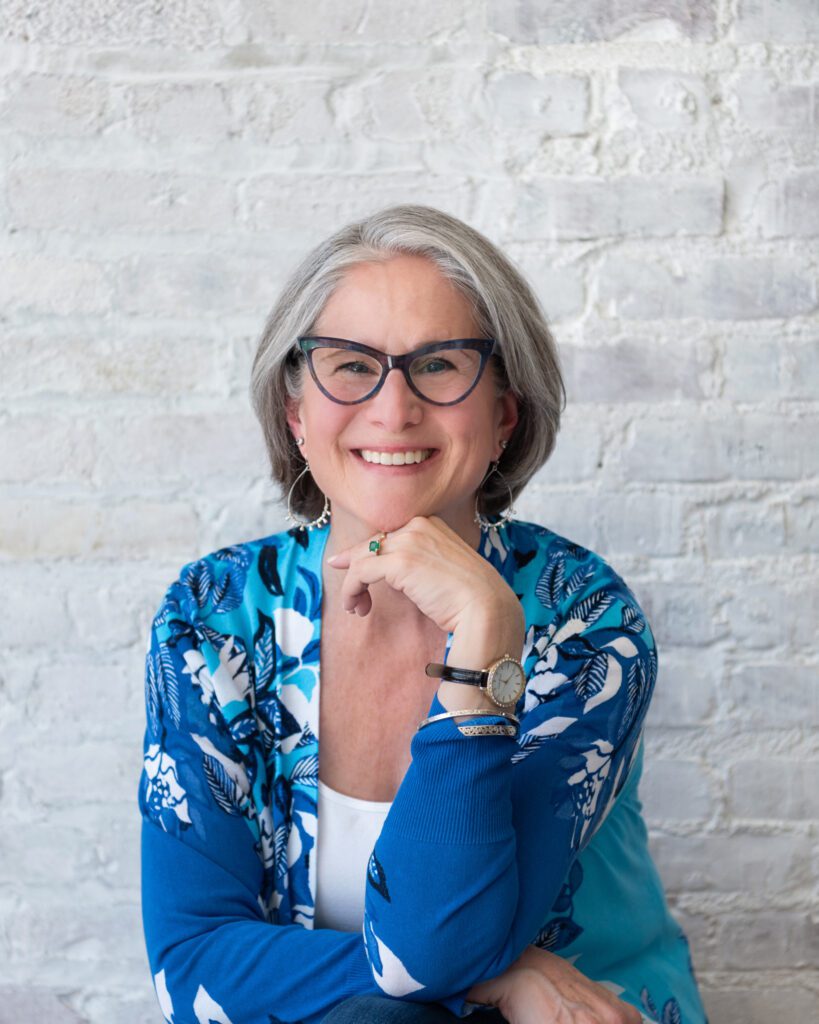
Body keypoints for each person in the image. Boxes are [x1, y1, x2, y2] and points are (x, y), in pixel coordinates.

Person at [138, 204, 708, 1024]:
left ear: (504, 415)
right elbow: (190, 960)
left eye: (439, 366)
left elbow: (435, 946)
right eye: (349, 364)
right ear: (296, 413)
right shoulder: (214, 619)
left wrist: (484, 641)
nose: (393, 407)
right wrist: (502, 975)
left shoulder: (582, 621)